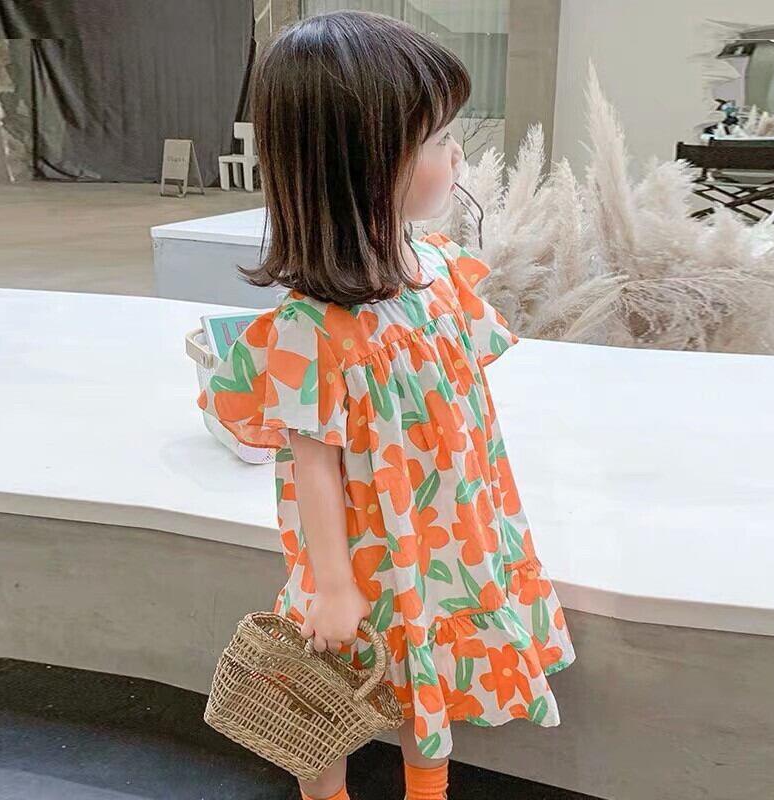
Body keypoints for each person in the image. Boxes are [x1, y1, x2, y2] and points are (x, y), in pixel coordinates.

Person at [197, 10, 576, 800]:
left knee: (428, 666)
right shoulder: (313, 329)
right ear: (362, 164)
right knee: (324, 680)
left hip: (443, 530)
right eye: (437, 140)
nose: (457, 154)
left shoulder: (438, 273)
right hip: (367, 545)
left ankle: (427, 791)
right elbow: (312, 463)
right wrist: (334, 584)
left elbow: (458, 410)